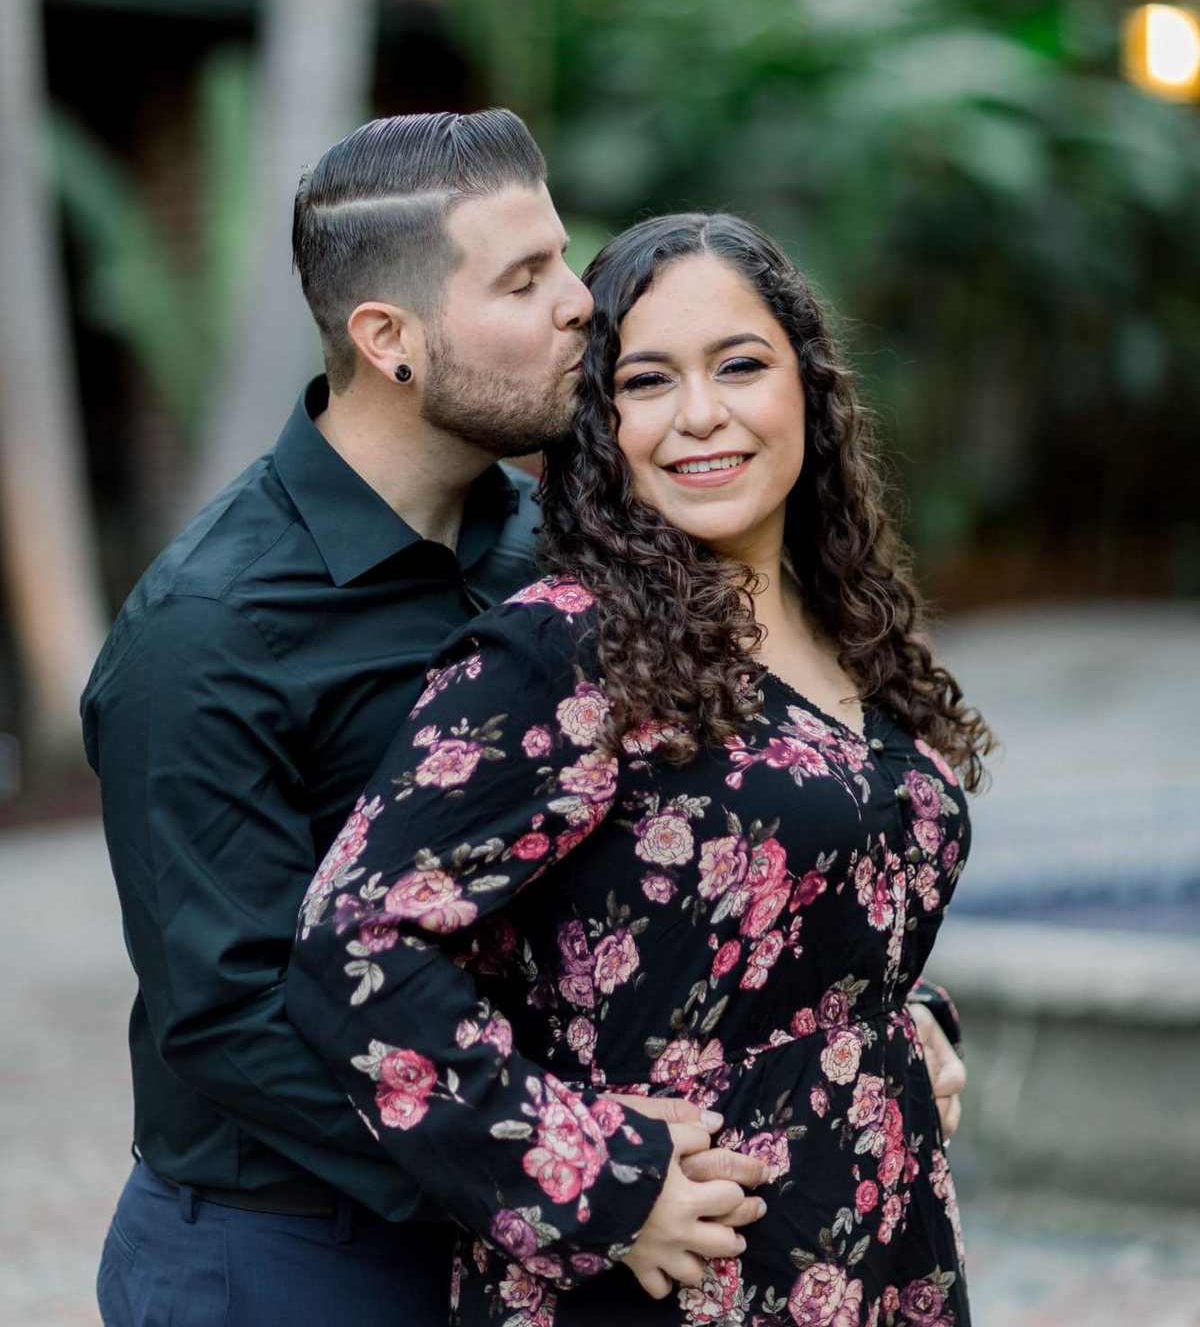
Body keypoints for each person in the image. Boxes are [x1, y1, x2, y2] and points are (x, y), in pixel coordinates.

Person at [84, 113, 781, 1327]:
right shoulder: (206, 633)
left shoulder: (555, 549)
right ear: (390, 340)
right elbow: (233, 1014)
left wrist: (879, 1015)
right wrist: (575, 1177)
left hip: (529, 1242)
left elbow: (700, 828)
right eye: (525, 279)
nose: (582, 304)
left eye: (565, 259)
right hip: (292, 1255)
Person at [287, 211, 992, 1326]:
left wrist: (910, 1019)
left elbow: (811, 899)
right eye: (648, 381)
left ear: (807, 386)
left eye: (741, 366)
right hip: (670, 1282)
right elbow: (355, 942)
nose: (701, 415)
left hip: (879, 1248)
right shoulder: (566, 649)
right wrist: (595, 1183)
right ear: (597, 423)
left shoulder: (846, 623)